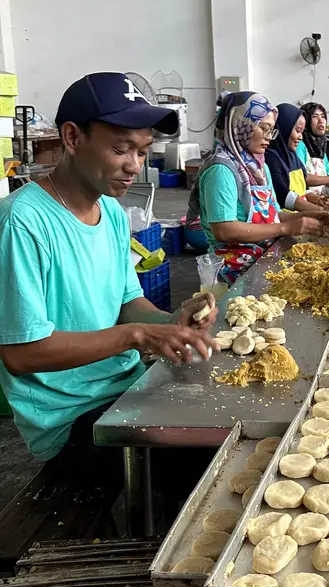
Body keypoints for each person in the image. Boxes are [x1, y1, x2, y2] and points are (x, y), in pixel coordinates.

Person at [0, 72, 217, 476]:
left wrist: (171, 323)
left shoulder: (112, 214)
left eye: (142, 150)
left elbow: (127, 303)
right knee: (213, 465)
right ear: (71, 137)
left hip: (125, 388)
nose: (134, 165)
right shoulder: (22, 223)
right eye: (121, 148)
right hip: (71, 418)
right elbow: (20, 354)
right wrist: (134, 336)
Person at [187, 92, 325, 284]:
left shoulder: (260, 166)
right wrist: (285, 228)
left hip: (264, 256)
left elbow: (273, 214)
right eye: (264, 129)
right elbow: (224, 230)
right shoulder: (221, 170)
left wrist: (312, 216)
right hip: (235, 267)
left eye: (272, 131)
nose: (269, 137)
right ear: (242, 125)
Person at [265, 103, 329, 215]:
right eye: (298, 131)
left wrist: (316, 199)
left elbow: (303, 187)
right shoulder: (271, 158)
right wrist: (321, 211)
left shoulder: (292, 156)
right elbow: (283, 195)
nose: (301, 136)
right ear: (284, 128)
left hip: (301, 214)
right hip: (288, 219)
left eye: (302, 132)